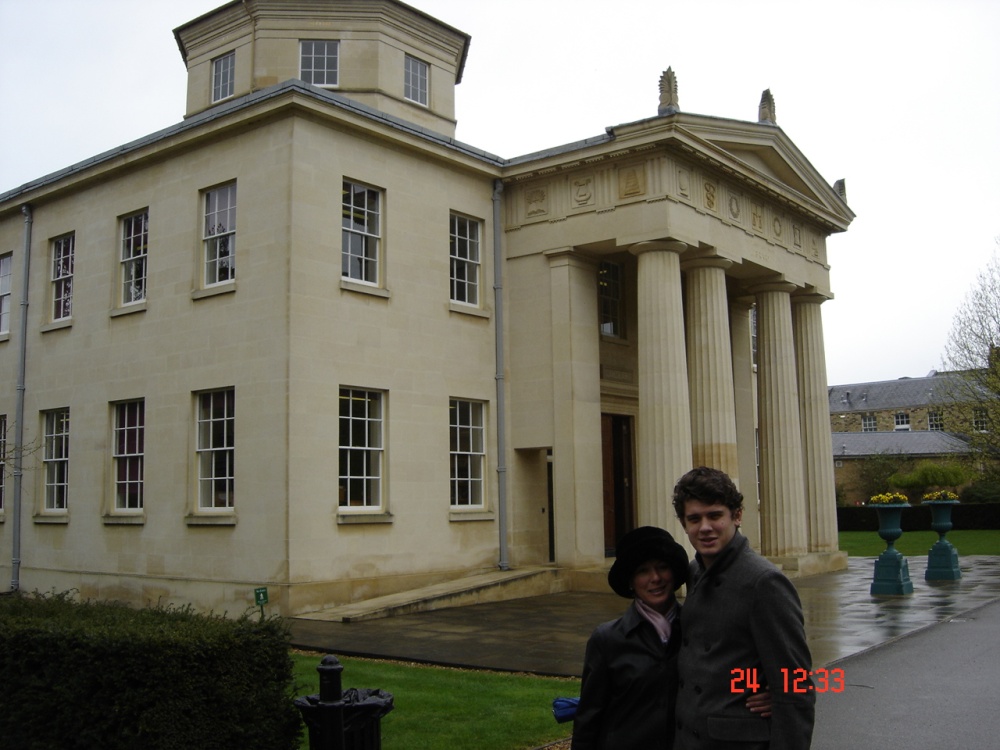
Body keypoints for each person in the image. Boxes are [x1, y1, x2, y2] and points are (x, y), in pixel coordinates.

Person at [572, 526, 771, 750]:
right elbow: (588, 719)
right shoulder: (607, 640)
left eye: (662, 568)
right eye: (643, 571)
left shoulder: (698, 629)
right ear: (630, 581)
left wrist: (769, 690)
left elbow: (726, 673)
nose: (655, 578)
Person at [671, 466, 815, 750]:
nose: (705, 527)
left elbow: (796, 685)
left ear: (736, 516)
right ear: (684, 523)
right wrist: (753, 683)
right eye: (694, 519)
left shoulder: (764, 583)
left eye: (715, 516)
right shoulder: (694, 572)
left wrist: (778, 688)